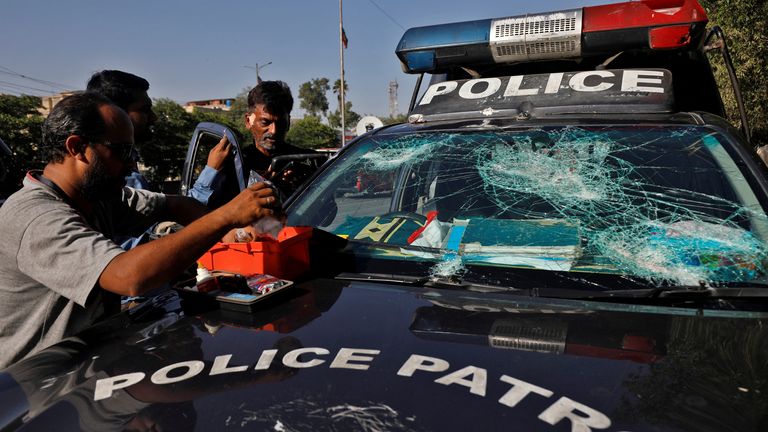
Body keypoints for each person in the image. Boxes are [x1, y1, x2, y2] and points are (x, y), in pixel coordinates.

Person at [0, 92, 278, 367]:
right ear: (76, 148)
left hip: (95, 362)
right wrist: (226, 218)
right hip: (40, 388)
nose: (132, 163)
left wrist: (232, 233)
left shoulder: (98, 197)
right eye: (122, 151)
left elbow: (175, 205)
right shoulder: (35, 216)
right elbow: (129, 276)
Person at [241, 80, 317, 198]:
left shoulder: (309, 161)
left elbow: (330, 209)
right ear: (248, 121)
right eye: (265, 122)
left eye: (280, 123)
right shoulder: (238, 163)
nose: (274, 131)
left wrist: (302, 188)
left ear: (288, 123)